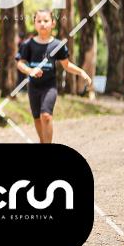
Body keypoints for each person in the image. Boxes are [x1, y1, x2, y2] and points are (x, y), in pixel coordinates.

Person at [15, 9, 91, 144]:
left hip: (49, 86)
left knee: (46, 116)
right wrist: (30, 71)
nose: (42, 24)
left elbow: (67, 65)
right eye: (39, 21)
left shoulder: (57, 45)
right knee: (37, 118)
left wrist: (81, 72)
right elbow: (20, 63)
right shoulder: (28, 44)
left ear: (53, 23)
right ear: (34, 23)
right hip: (33, 87)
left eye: (46, 21)